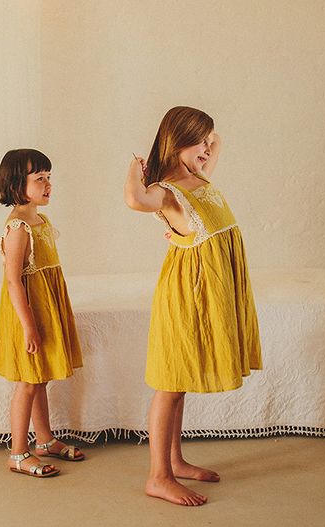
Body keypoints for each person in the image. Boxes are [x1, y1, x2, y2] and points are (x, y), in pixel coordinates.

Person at [124, 106, 262, 506]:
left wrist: (206, 141)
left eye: (206, 140)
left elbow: (218, 143)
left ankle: (176, 461)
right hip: (188, 291)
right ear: (177, 140)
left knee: (180, 382)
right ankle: (158, 476)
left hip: (210, 288)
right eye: (198, 140)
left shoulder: (198, 178)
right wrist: (137, 167)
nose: (207, 148)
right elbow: (135, 200)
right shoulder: (169, 190)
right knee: (170, 383)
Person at [0, 149, 85, 477]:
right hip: (27, 313)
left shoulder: (40, 220)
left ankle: (44, 440)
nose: (48, 185)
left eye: (49, 178)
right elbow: (14, 281)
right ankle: (17, 453)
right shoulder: (18, 227)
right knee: (28, 383)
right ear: (18, 184)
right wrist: (29, 326)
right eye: (40, 179)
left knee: (40, 378)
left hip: (45, 307)